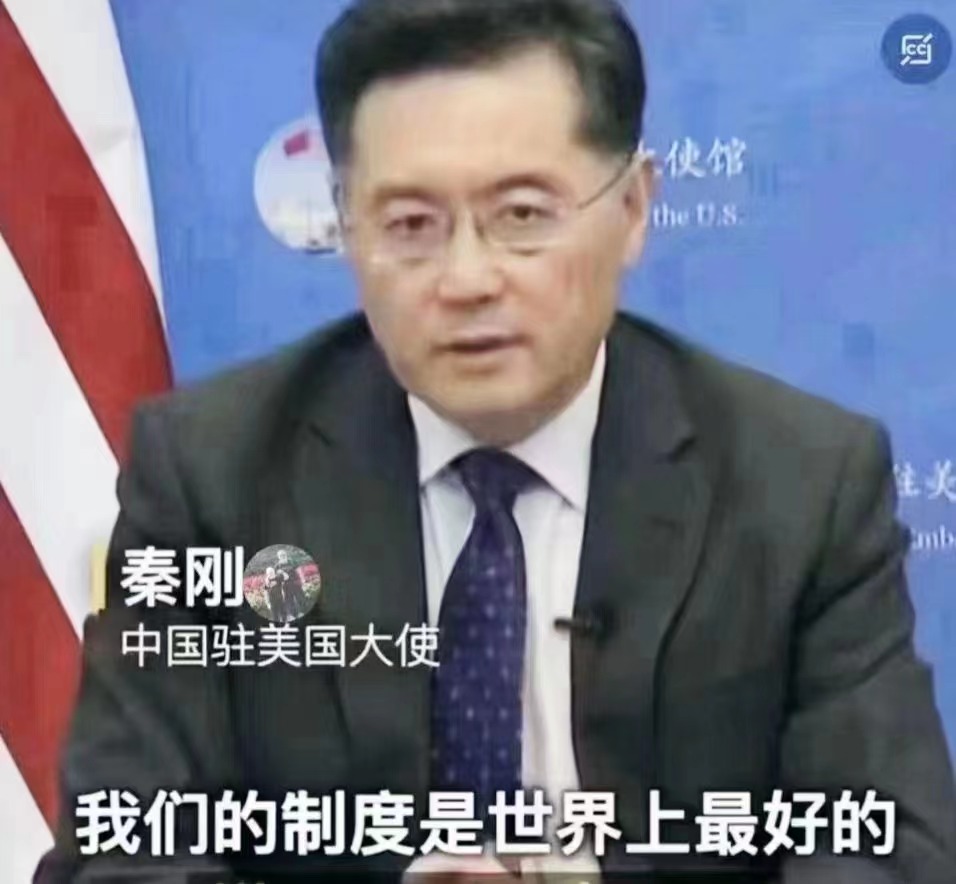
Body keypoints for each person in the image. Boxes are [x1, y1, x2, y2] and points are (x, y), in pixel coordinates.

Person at [37, 0, 956, 881]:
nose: (468, 278)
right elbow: (115, 852)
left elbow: (893, 848)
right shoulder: (211, 477)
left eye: (522, 215)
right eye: (411, 226)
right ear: (344, 224)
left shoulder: (801, 485)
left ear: (634, 207)